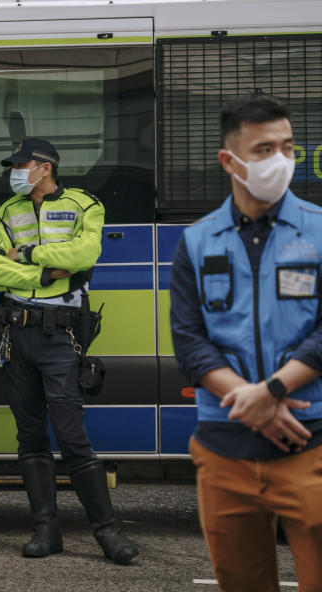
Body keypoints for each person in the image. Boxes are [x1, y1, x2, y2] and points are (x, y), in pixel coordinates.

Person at [170, 95, 322, 590]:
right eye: (264, 149)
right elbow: (189, 340)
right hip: (224, 451)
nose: (281, 160)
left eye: (288, 147)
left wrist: (272, 391)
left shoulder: (319, 230)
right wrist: (250, 399)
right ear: (229, 161)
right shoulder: (197, 240)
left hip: (309, 443)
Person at [0, 138, 138, 565]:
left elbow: (85, 254)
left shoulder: (85, 205)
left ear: (45, 167)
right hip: (16, 333)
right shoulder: (4, 212)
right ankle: (46, 531)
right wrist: (52, 270)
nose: (14, 171)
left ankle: (108, 533)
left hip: (60, 337)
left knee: (72, 437)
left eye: (22, 164)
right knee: (30, 436)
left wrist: (28, 255)